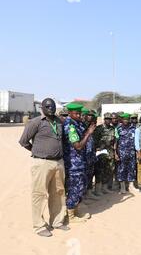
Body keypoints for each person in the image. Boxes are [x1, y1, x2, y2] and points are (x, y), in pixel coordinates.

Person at [19, 98, 69, 237]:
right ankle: (39, 225)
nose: (50, 108)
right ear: (42, 108)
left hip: (58, 163)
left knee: (58, 193)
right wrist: (36, 151)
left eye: (52, 106)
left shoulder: (59, 121)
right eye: (47, 106)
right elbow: (23, 141)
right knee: (39, 194)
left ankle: (57, 221)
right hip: (42, 163)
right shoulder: (35, 122)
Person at [63, 102, 95, 224]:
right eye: (76, 113)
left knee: (81, 187)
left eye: (80, 113)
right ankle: (70, 215)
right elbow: (78, 146)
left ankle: (75, 211)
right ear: (70, 113)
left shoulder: (78, 123)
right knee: (74, 189)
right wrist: (88, 133)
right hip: (73, 164)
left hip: (81, 162)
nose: (79, 115)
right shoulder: (70, 126)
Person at [93, 112, 115, 194]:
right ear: (104, 119)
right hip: (101, 152)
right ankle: (97, 190)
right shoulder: (99, 128)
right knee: (99, 171)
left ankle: (104, 188)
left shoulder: (112, 129)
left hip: (109, 152)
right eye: (107, 119)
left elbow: (114, 140)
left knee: (108, 170)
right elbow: (94, 140)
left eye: (110, 119)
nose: (108, 121)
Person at [114, 113, 137, 194]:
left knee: (132, 169)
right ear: (122, 120)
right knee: (121, 169)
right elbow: (115, 142)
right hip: (121, 153)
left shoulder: (133, 128)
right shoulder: (118, 129)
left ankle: (131, 186)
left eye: (127, 119)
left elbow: (136, 141)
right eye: (124, 119)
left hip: (131, 152)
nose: (126, 121)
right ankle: (122, 188)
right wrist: (115, 153)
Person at [82, 108, 99, 201]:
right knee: (83, 176)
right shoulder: (81, 126)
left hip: (91, 154)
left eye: (92, 116)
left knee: (90, 174)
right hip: (83, 155)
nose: (90, 117)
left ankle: (89, 193)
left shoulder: (93, 126)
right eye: (88, 115)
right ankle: (83, 196)